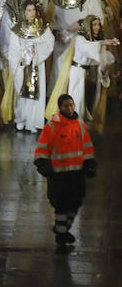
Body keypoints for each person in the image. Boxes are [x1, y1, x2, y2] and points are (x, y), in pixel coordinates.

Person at [34, 94, 97, 249]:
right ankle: (61, 240)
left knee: (75, 204)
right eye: (66, 105)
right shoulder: (52, 127)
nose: (70, 108)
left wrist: (89, 163)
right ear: (60, 107)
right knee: (61, 207)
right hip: (58, 175)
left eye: (71, 105)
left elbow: (87, 146)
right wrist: (43, 165)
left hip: (76, 174)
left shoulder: (80, 125)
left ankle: (61, 230)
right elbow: (42, 149)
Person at [48, 15, 118, 129]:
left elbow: (101, 59)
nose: (97, 27)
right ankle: (73, 127)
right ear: (87, 26)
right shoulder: (80, 39)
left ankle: (86, 127)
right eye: (94, 25)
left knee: (91, 102)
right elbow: (88, 49)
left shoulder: (97, 41)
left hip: (93, 75)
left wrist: (105, 68)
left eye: (98, 24)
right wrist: (102, 43)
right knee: (77, 100)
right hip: (78, 73)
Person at [49, 0, 103, 93]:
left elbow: (98, 19)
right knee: (59, 71)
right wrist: (56, 31)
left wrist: (81, 24)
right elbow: (52, 20)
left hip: (80, 43)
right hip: (63, 43)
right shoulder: (57, 0)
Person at [7, 0, 55, 132]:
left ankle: (33, 122)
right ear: (24, 12)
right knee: (22, 94)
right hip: (22, 65)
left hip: (37, 64)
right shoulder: (17, 29)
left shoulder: (42, 27)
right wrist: (24, 54)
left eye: (33, 10)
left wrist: (36, 49)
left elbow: (50, 42)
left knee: (37, 94)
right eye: (29, 10)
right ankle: (21, 119)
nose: (32, 12)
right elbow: (14, 48)